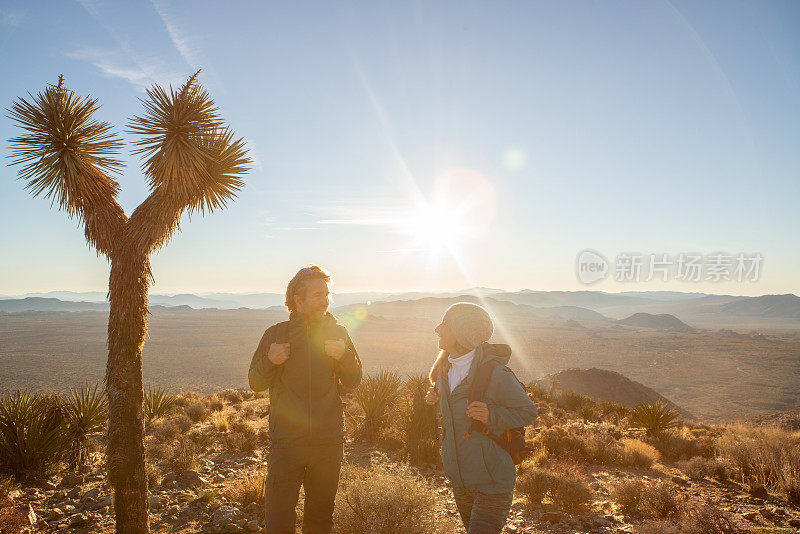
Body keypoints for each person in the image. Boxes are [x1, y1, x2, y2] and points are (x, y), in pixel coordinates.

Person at [248, 265, 362, 534]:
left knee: (320, 520)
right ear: (297, 301)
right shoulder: (276, 334)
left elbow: (354, 380)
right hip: (287, 444)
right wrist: (270, 360)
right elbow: (255, 382)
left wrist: (344, 356)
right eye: (318, 295)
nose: (325, 300)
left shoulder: (339, 332)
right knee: (278, 521)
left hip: (328, 443)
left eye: (327, 293)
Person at [425, 302, 537, 534]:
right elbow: (455, 421)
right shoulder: (444, 372)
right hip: (461, 480)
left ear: (462, 332)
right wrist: (436, 400)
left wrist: (491, 415)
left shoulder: (495, 373)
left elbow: (528, 411)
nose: (437, 329)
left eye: (444, 325)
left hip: (492, 482)